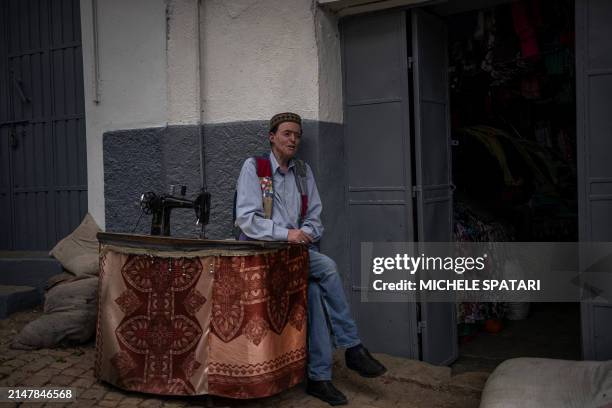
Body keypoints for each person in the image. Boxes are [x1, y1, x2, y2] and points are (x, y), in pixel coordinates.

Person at [234, 112, 387, 406]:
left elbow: (316, 218)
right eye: (287, 133)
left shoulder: (303, 172)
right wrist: (286, 234)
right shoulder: (255, 167)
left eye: (298, 135)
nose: (294, 139)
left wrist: (304, 232)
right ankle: (352, 345)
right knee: (327, 266)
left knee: (315, 293)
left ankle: (319, 378)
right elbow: (246, 220)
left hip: (297, 253)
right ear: (272, 136)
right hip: (264, 254)